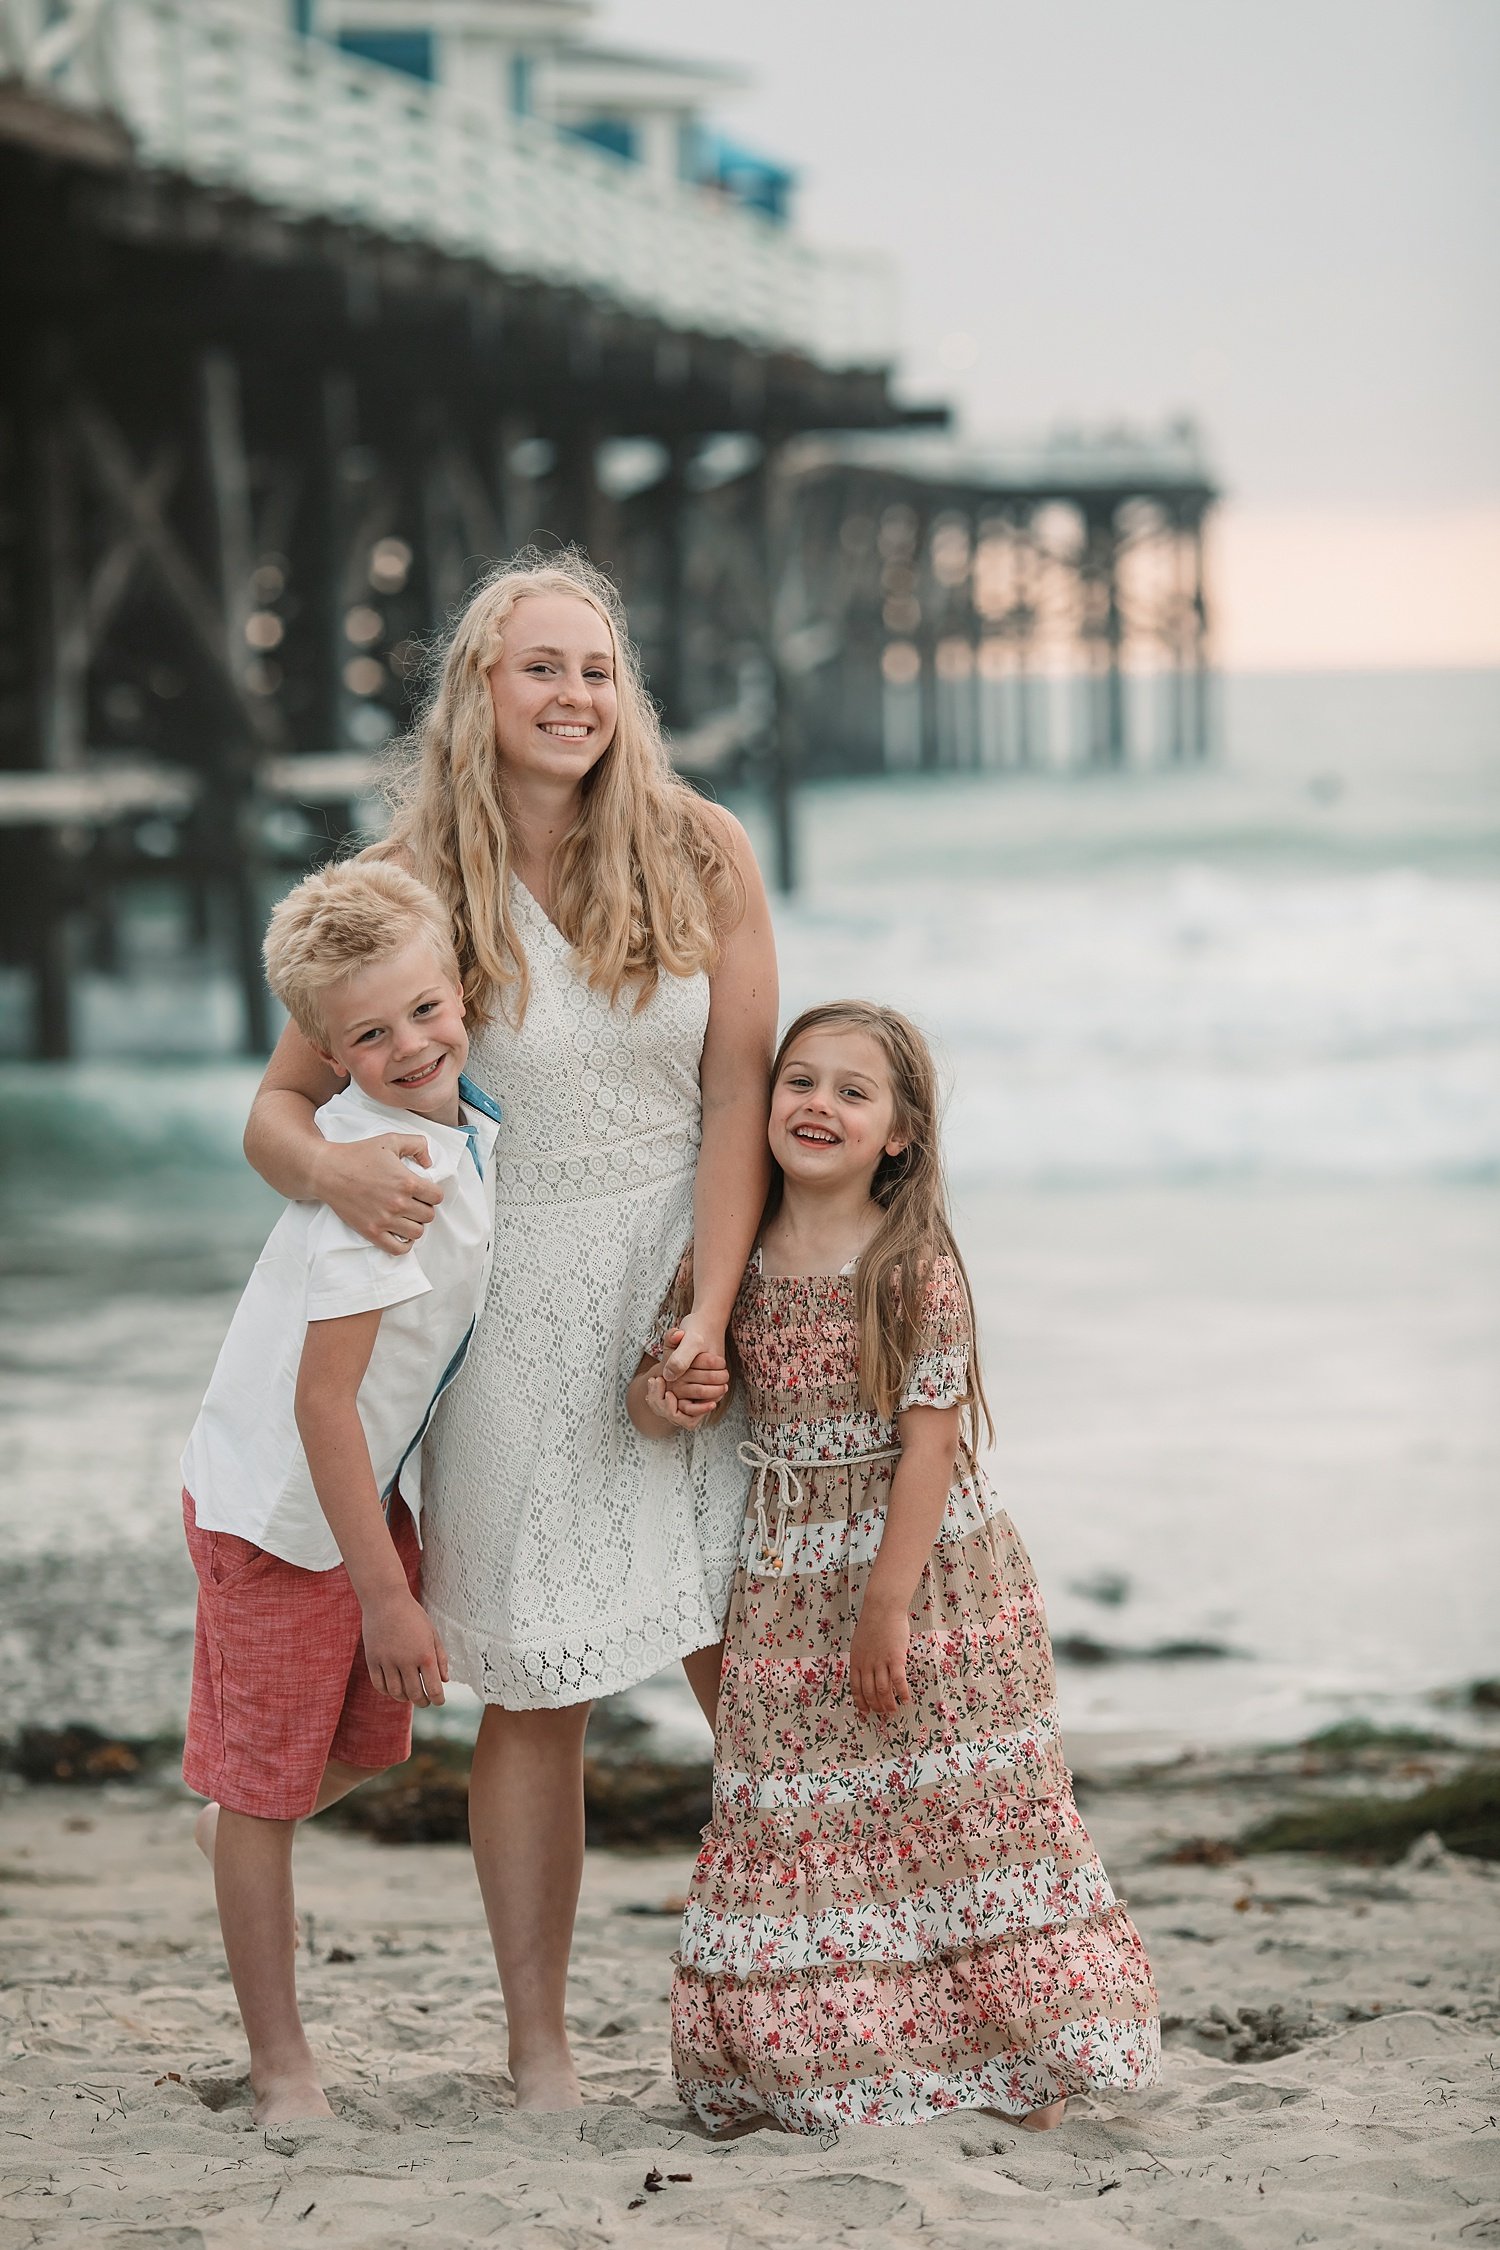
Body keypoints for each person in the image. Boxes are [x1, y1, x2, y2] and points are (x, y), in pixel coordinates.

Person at [241, 551, 775, 2109]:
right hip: (505, 1314)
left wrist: (717, 1310)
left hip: (684, 1287)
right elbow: (277, 1106)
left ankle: (817, 1999)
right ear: (480, 689)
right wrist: (339, 1166)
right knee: (536, 1691)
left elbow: (740, 1092)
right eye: (541, 668)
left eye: (599, 670)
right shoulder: (406, 880)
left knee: (753, 1666)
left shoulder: (701, 849)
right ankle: (541, 2057)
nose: (575, 697)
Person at [642, 1001, 1161, 2133]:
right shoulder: (724, 1258)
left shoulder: (913, 1267)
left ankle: (1020, 2065)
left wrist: (886, 1610)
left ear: (899, 1135)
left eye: (851, 1091)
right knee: (802, 1818)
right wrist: (671, 1387)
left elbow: (930, 1446)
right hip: (781, 1580)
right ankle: (841, 2062)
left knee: (960, 1814)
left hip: (930, 1582)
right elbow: (666, 1387)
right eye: (798, 1081)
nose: (816, 1104)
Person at [181, 859, 503, 2125]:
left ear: (461, 988)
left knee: (361, 1745)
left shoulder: (463, 1124)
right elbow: (321, 1405)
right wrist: (388, 1598)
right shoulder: (380, 1191)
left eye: (427, 1010)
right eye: (370, 1034)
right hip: (278, 1515)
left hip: (351, 1495)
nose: (412, 1043)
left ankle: (231, 1835)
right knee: (263, 1795)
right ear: (325, 1049)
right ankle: (281, 2066)